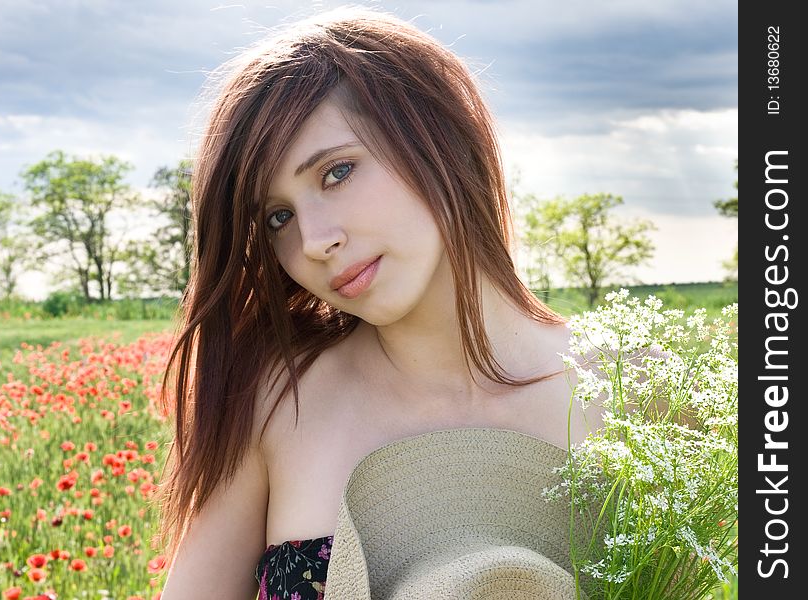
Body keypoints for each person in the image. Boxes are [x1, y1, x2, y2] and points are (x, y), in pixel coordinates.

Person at [157, 6, 604, 599]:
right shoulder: (276, 400)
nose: (316, 241)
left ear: (437, 136)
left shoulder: (635, 392)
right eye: (278, 217)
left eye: (337, 172)